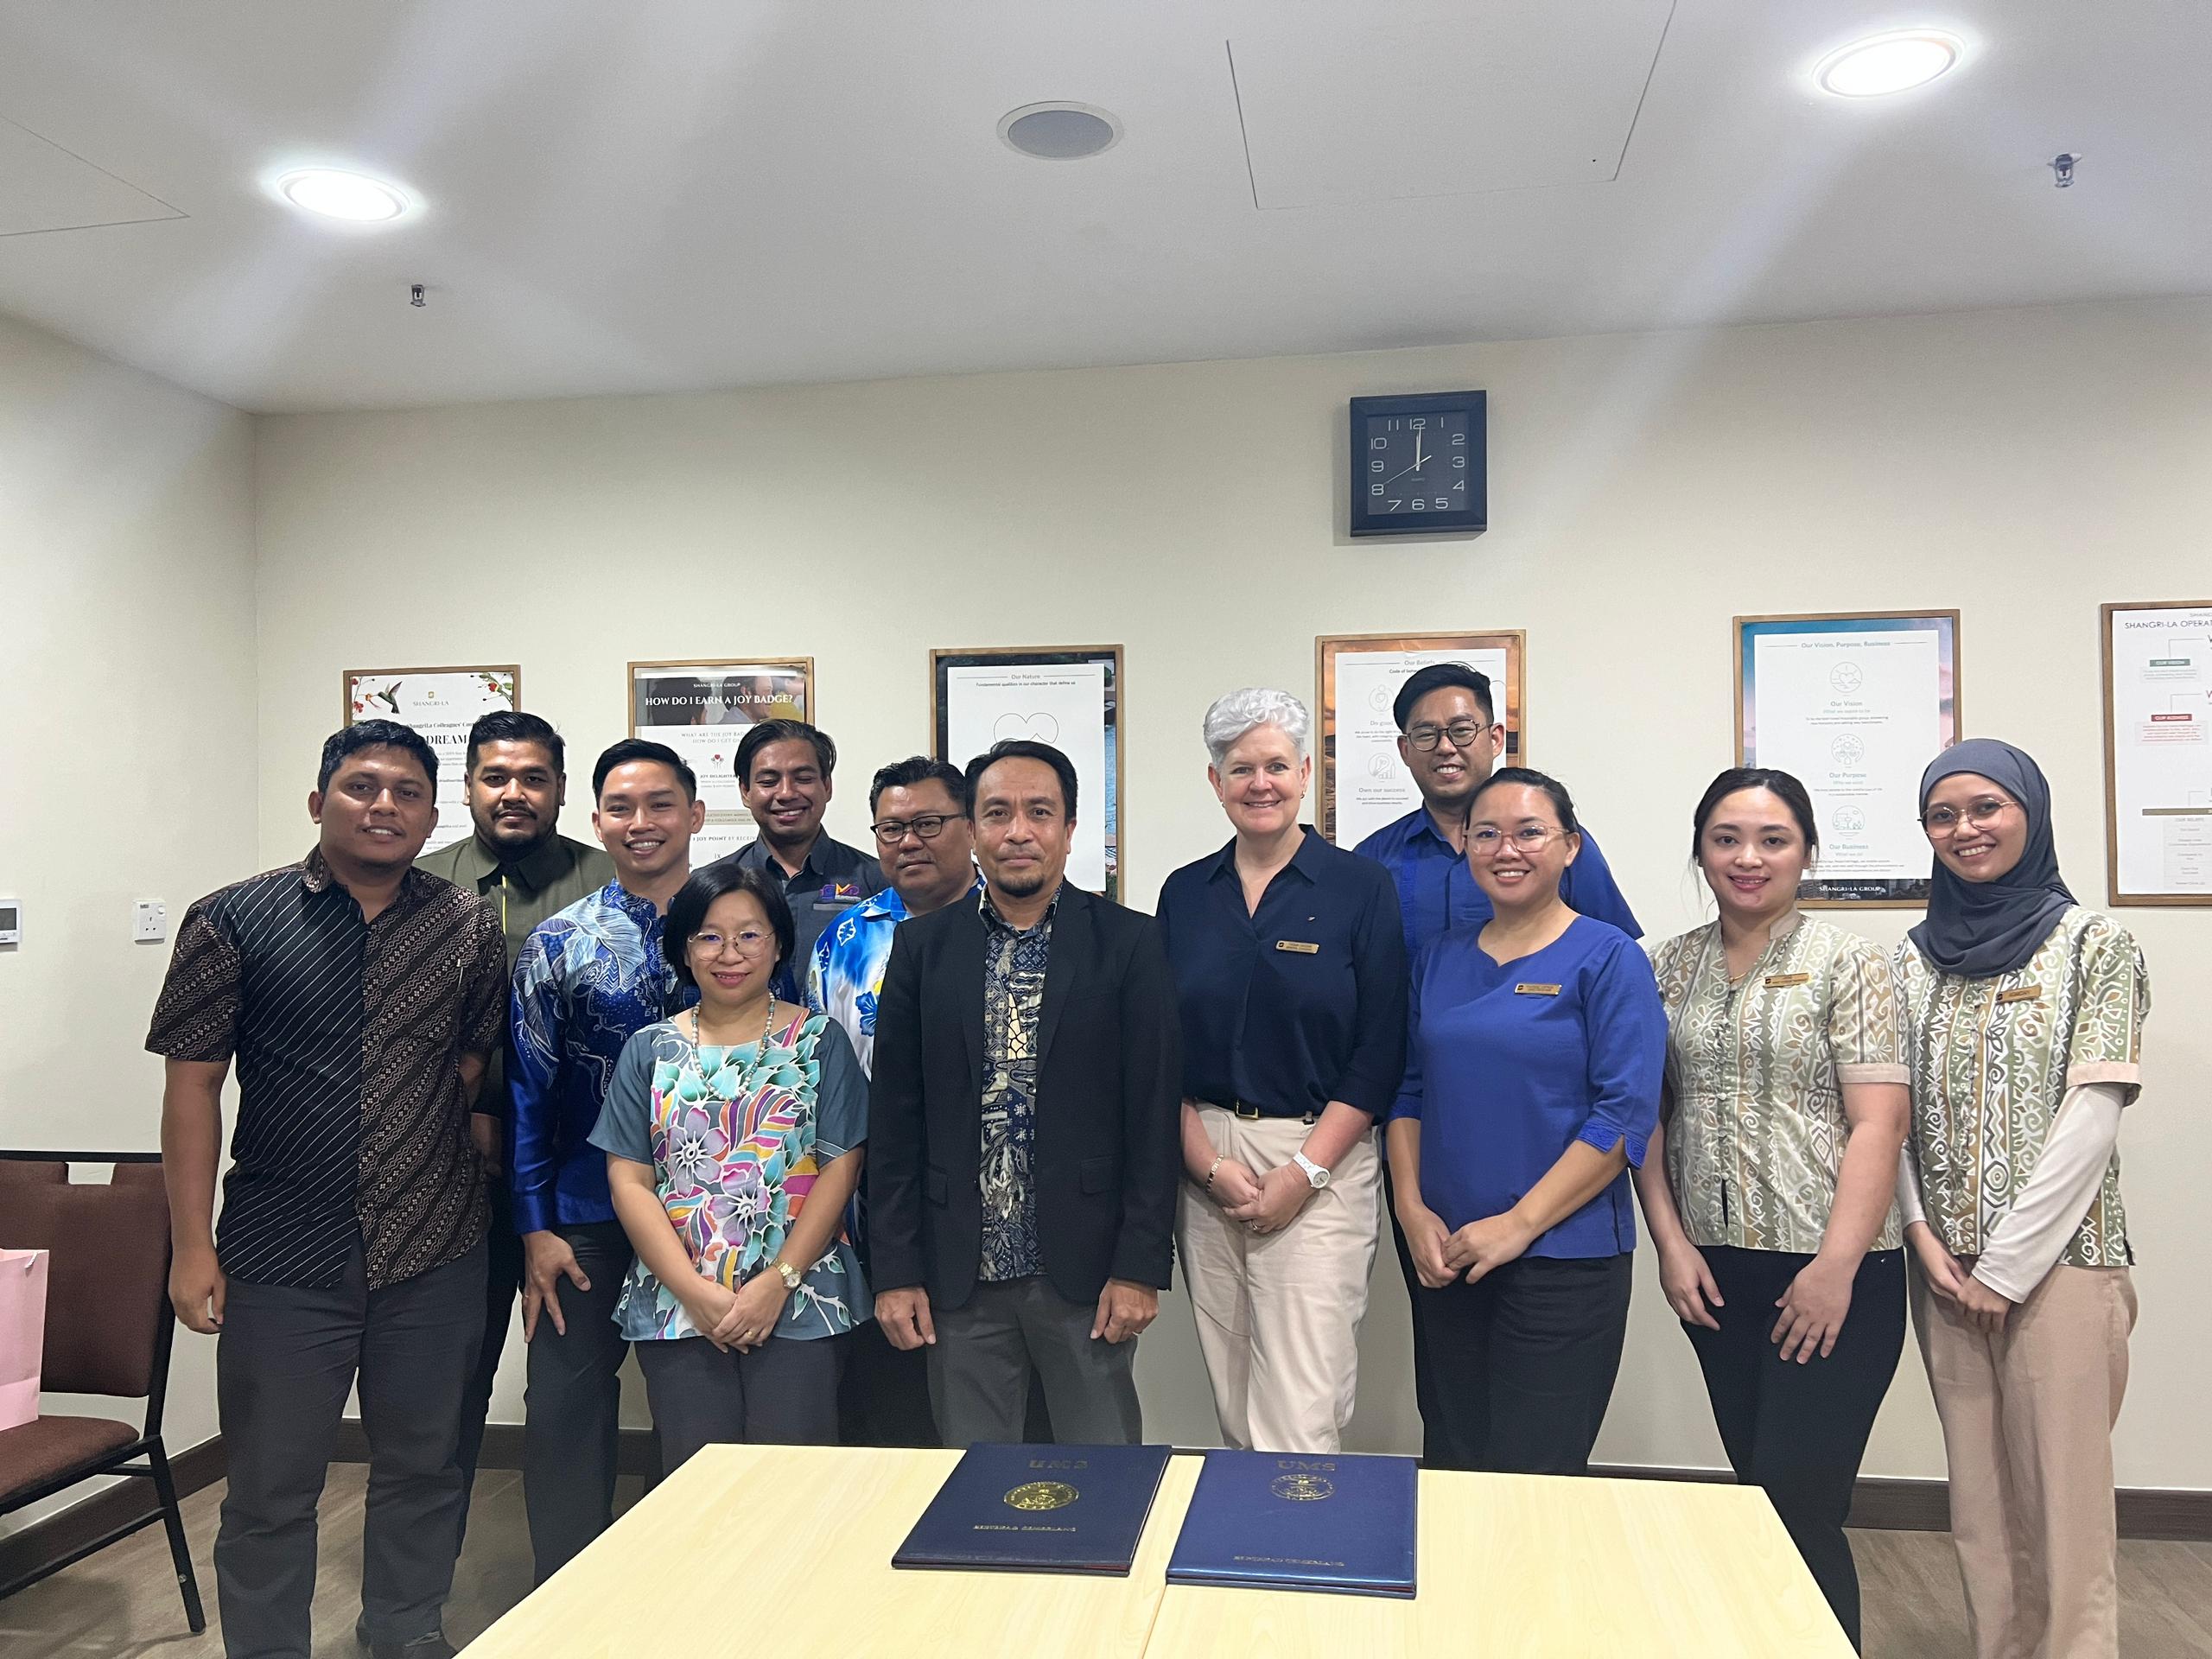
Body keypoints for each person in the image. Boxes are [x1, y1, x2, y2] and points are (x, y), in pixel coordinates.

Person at [149, 721, 505, 1659]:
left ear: (432, 814)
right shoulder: (231, 919)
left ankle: (404, 1629)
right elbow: (192, 1089)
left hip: (435, 1244)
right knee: (270, 1487)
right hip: (280, 1248)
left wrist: (410, 1138)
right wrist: (192, 1246)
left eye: (407, 792)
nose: (384, 806)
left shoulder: (468, 926)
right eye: (361, 787)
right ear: (319, 802)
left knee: (425, 1465)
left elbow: (473, 1058)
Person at [1636, 768, 1909, 1650]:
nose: (1747, 857)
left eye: (1772, 839)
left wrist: (1835, 1268)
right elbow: (1649, 1116)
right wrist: (1670, 1244)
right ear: (1700, 851)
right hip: (1714, 1272)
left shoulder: (1851, 961)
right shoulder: (1665, 965)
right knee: (1757, 1496)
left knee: (1801, 1501)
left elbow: (1879, 1124)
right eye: (1726, 839)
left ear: (1807, 852)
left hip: (1835, 1273)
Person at [1894, 740, 2148, 1659]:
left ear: (2029, 814)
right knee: (1979, 1503)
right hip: (1943, 1271)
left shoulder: (2095, 945)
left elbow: (2093, 1113)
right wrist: (1919, 1233)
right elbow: (1890, 1115)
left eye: (1986, 808)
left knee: (2064, 1503)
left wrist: (2005, 1270)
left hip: (2060, 1269)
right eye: (1943, 815)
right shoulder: (1910, 959)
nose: (1964, 829)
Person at [1353, 662, 1639, 1461]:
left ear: (1494, 735)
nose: (1506, 851)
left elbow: (1622, 1075)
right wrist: (1410, 1206)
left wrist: (1521, 1222)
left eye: (1462, 729)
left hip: (1557, 1216)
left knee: (1536, 1465)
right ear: (1403, 749)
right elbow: (1401, 1070)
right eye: (1426, 733)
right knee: (1453, 1440)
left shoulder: (1597, 937)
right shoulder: (1375, 869)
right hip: (1439, 1207)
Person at [867, 739, 1181, 1446]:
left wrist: (1139, 1267)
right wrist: (897, 1272)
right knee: (973, 1477)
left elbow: (1152, 1115)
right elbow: (895, 1123)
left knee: (1102, 1471)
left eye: (1039, 812)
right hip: (959, 1270)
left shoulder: (1129, 943)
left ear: (1070, 830)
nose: (1018, 832)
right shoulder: (923, 948)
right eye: (997, 813)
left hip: (1086, 1267)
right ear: (972, 831)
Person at [1154, 689, 1406, 1453]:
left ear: (1304, 773)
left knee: (1300, 1405)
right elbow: (1160, 1048)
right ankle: (1246, 1526)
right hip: (1206, 1159)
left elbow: (1381, 1047)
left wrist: (1304, 1172)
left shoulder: (1361, 887)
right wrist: (1206, 1166)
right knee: (1234, 1399)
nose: (1259, 783)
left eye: (1274, 766)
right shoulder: (1185, 894)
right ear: (1215, 781)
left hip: (1320, 1153)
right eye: (1240, 769)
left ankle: (1301, 1526)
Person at [593, 863, 869, 1471]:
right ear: (684, 949)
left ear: (778, 944)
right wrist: (693, 1292)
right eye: (709, 937)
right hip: (679, 1304)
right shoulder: (649, 1049)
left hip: (801, 1299)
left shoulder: (820, 1041)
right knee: (697, 1484)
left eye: (749, 935)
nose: (730, 953)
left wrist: (779, 1281)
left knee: (795, 1481)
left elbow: (840, 1168)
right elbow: (630, 1180)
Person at [507, 740, 704, 1583]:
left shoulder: (738, 929)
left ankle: (692, 1588)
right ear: (597, 822)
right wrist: (535, 1228)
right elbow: (527, 1093)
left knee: (698, 1408)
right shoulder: (558, 942)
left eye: (661, 804)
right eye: (621, 808)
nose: (641, 822)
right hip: (583, 1218)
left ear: (695, 815)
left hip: (709, 1217)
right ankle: (567, 1593)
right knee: (563, 1407)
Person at [413, 710, 612, 1529]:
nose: (514, 793)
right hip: (443, 1174)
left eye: (534, 778)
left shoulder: (609, 879)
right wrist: (463, 1119)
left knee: (567, 1379)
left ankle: (575, 1563)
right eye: (496, 777)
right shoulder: (421, 884)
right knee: (446, 1377)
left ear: (560, 789)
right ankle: (427, 1573)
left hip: (571, 1175)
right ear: (467, 788)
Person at [806, 754, 982, 1446]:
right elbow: (821, 1083)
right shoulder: (846, 942)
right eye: (891, 829)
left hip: (996, 1198)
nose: (909, 842)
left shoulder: (1016, 925)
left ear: (970, 827)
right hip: (882, 1202)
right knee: (894, 1409)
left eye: (929, 824)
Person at [701, 718, 883, 1004]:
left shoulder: (877, 882)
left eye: (803, 778)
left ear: (827, 786)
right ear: (745, 791)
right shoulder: (709, 887)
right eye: (768, 781)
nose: (786, 793)